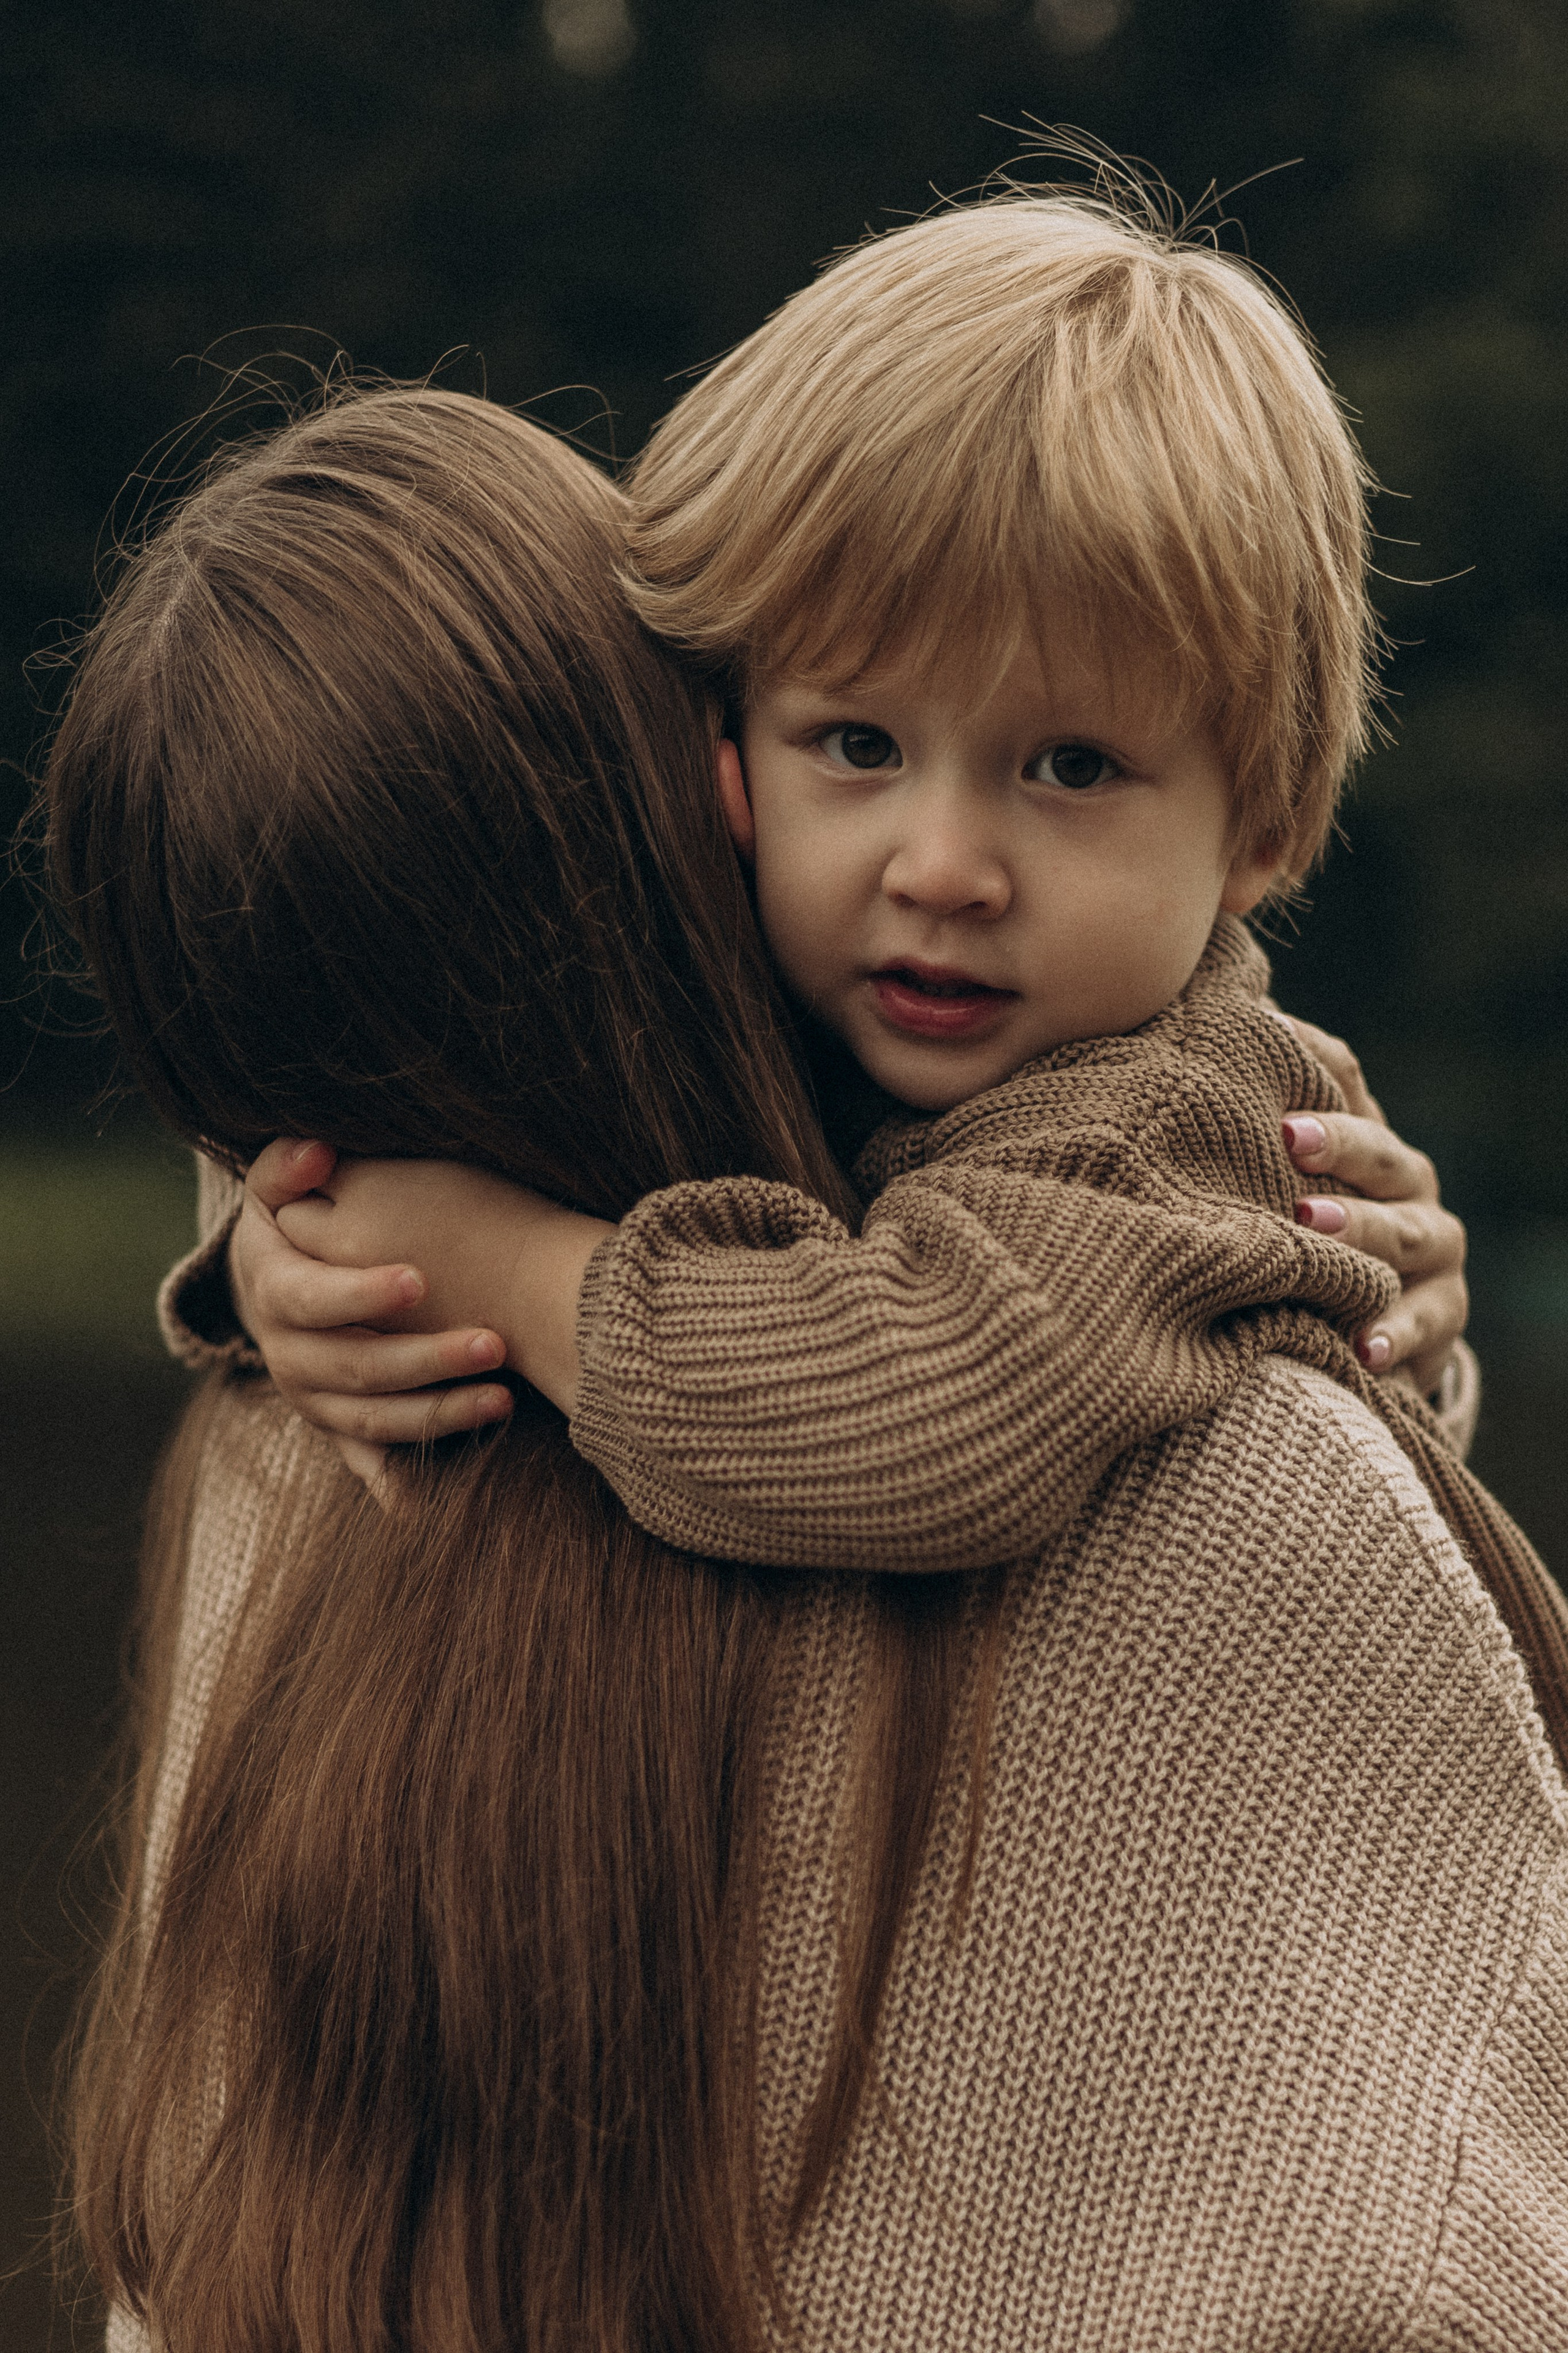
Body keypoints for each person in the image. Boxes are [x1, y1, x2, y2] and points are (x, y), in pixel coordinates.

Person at [51, 192, 1564, 2352]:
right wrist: (265, 1258)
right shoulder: (879, 1059)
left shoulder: (1144, 1118)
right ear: (719, 749)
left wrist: (482, 1250)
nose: (943, 864)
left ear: (1262, 828)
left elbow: (907, 1395)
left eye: (1070, 767)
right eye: (860, 744)